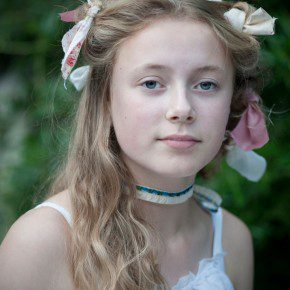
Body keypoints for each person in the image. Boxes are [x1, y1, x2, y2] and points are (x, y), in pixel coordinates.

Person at [0, 0, 276, 289]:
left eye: (206, 84)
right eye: (152, 83)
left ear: (233, 100)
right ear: (105, 96)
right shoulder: (40, 243)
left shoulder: (232, 239)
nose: (182, 109)